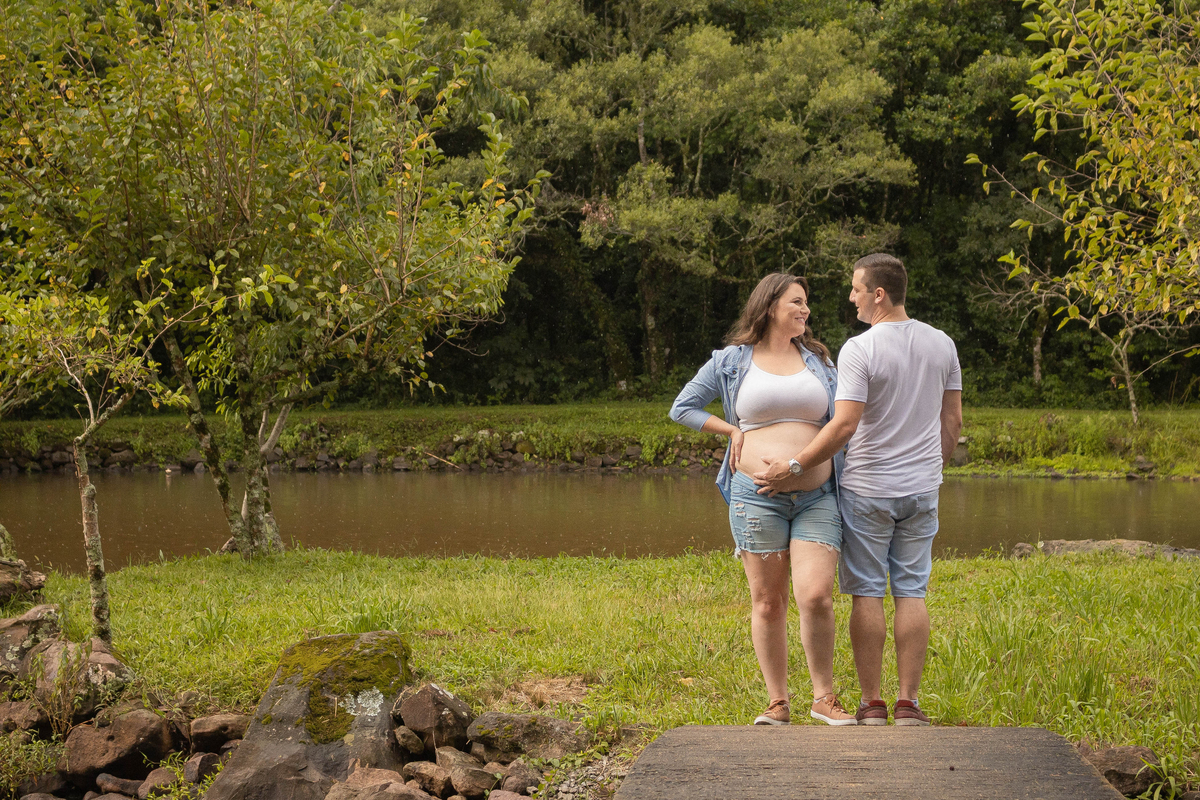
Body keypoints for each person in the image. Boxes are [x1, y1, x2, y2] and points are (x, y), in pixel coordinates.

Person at [754, 253, 962, 726]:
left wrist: (795, 464)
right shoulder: (942, 344)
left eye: (855, 288)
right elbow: (953, 421)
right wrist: (934, 469)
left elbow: (845, 424)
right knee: (911, 591)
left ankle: (872, 703)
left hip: (868, 489)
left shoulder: (860, 348)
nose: (851, 297)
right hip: (921, 488)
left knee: (867, 593)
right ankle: (908, 702)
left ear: (878, 294)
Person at [669, 273, 856, 726]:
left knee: (816, 596)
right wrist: (732, 429)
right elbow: (683, 407)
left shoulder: (819, 361)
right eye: (797, 301)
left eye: (806, 302)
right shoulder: (733, 361)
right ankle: (778, 701)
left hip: (817, 496)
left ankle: (823, 697)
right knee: (768, 601)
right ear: (770, 305)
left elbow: (842, 421)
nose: (805, 309)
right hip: (755, 498)